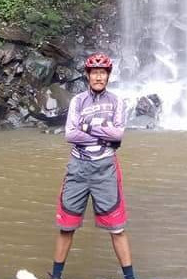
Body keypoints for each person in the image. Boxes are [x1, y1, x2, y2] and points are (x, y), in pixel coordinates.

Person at [49, 52, 135, 279]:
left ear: (108, 76)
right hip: (78, 168)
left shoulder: (117, 101)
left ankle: (130, 277)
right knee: (66, 227)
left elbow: (118, 134)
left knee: (117, 228)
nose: (99, 77)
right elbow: (70, 134)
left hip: (105, 169)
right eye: (95, 73)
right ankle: (55, 276)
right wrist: (103, 135)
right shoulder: (78, 101)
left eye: (103, 73)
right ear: (88, 75)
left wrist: (86, 129)